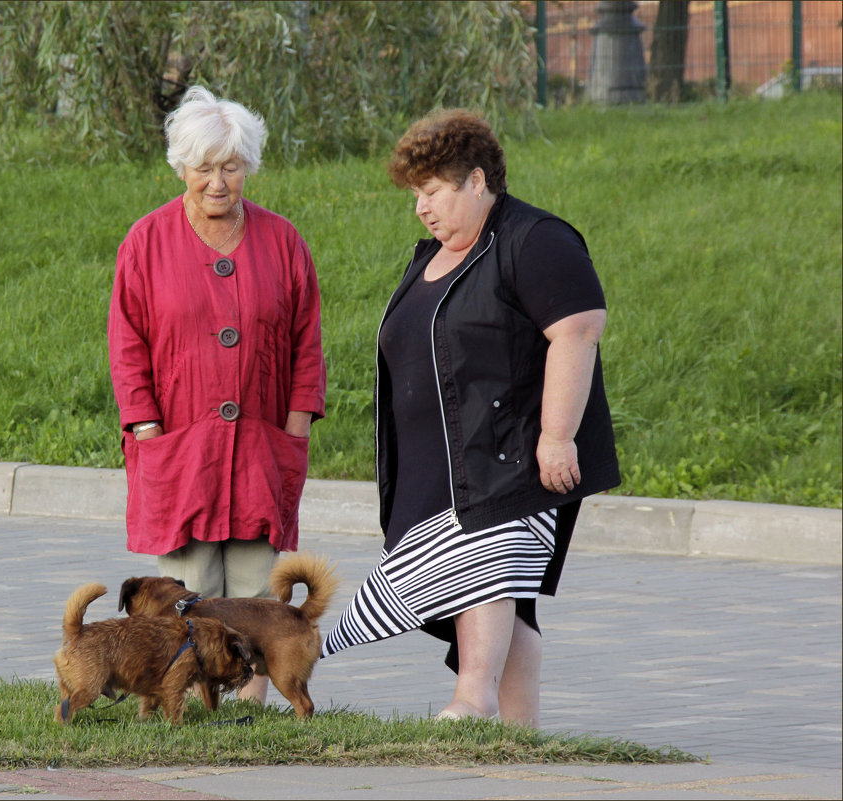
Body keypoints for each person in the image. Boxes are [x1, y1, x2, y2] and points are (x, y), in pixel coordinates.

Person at [320, 109, 620, 725]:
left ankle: (473, 698)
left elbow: (578, 329)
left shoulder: (535, 239)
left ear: (476, 181)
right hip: (434, 465)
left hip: (506, 453)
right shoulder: (431, 254)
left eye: (431, 192)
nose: (421, 208)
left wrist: (557, 436)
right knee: (512, 598)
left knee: (490, 563)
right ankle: (519, 735)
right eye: (415, 196)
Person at [108, 86, 326, 706]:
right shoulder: (145, 242)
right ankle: (188, 702)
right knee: (189, 590)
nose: (218, 181)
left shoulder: (284, 242)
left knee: (259, 588)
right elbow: (127, 343)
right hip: (179, 446)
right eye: (204, 167)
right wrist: (146, 427)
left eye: (231, 166)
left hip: (262, 444)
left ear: (248, 167)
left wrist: (297, 424)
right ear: (181, 167)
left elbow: (307, 342)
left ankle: (252, 708)